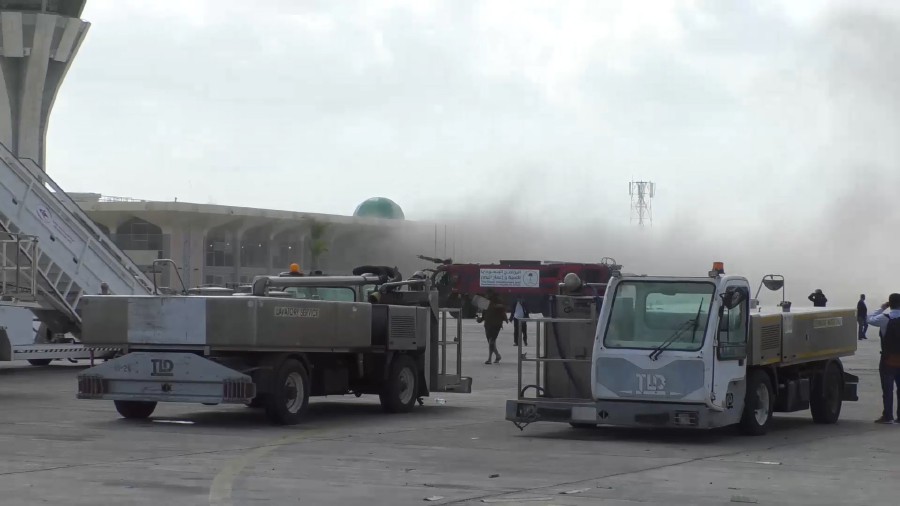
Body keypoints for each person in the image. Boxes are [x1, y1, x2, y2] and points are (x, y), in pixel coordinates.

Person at [867, 293, 900, 424]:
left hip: (888, 360)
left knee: (887, 390)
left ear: (889, 304)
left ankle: (887, 416)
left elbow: (868, 319)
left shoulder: (884, 318)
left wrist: (882, 307)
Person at [477, 291, 508, 365]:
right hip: (487, 324)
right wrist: (480, 319)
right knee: (491, 343)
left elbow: (503, 309)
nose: (487, 296)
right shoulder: (485, 303)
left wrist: (505, 318)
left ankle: (489, 359)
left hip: (496, 324)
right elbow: (483, 313)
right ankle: (497, 356)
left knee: (491, 341)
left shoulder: (498, 302)